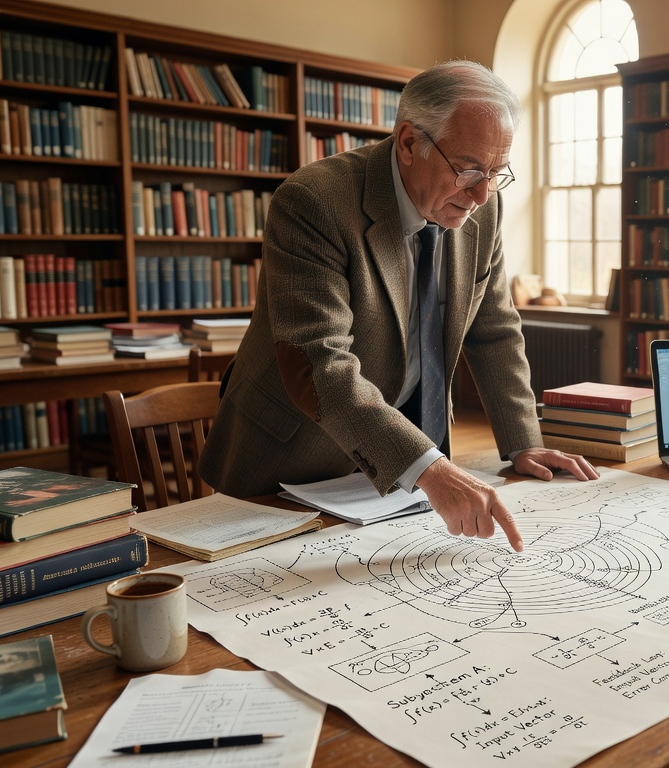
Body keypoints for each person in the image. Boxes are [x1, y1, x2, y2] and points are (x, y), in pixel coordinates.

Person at [199, 61, 598, 552]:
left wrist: (523, 441)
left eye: (497, 173)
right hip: (289, 466)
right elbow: (319, 362)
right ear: (409, 143)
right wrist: (428, 468)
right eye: (469, 168)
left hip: (405, 463)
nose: (481, 194)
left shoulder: (482, 205)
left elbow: (494, 328)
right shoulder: (314, 201)